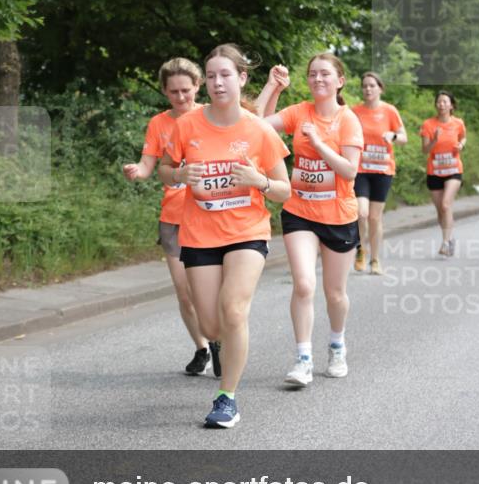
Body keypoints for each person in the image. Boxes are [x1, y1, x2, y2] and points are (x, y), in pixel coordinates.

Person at [159, 44, 290, 428]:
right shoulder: (187, 125)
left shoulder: (259, 130)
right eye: (212, 75)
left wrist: (259, 181)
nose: (217, 82)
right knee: (212, 326)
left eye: (225, 75)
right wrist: (180, 176)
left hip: (247, 232)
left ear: (242, 78)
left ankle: (226, 398)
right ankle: (222, 342)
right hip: (199, 234)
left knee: (234, 309)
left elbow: (284, 190)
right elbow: (165, 170)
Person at [256, 55, 363, 387]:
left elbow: (349, 170)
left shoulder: (348, 121)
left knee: (335, 293)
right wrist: (272, 86)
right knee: (303, 284)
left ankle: (337, 344)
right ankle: (303, 358)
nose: (318, 79)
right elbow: (255, 124)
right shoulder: (299, 111)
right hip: (300, 211)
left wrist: (317, 142)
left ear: (339, 81)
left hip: (339, 215)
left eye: (325, 74)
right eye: (313, 74)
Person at [123, 58, 219, 377]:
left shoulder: (213, 115)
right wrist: (137, 172)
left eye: (186, 90)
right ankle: (203, 347)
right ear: (165, 92)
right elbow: (149, 165)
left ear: (197, 87)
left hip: (211, 215)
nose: (181, 97)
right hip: (174, 217)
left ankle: (220, 340)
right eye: (173, 92)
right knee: (184, 291)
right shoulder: (159, 124)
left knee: (211, 289)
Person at [352, 72, 407, 275]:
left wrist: (393, 136)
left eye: (372, 86)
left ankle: (375, 260)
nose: (368, 89)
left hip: (383, 170)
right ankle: (361, 249)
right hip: (360, 169)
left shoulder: (390, 111)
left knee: (375, 217)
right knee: (361, 213)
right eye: (365, 86)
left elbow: (403, 137)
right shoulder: (355, 111)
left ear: (380, 89)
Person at [420, 92, 466, 257]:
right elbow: (425, 150)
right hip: (435, 172)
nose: (441, 104)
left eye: (445, 102)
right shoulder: (428, 124)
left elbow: (463, 138)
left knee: (446, 205)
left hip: (454, 170)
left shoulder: (458, 123)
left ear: (451, 105)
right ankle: (450, 237)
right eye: (439, 102)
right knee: (440, 211)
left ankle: (445, 243)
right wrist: (434, 140)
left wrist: (461, 144)